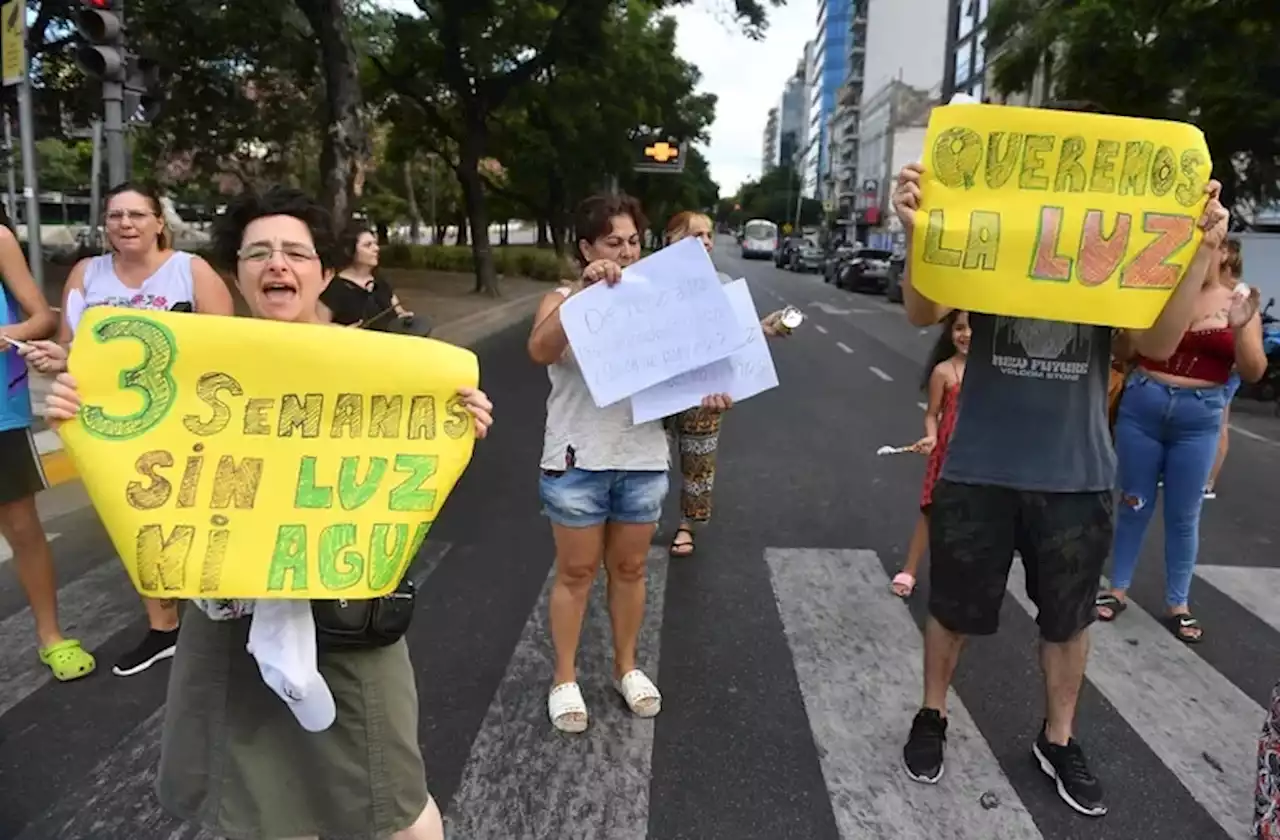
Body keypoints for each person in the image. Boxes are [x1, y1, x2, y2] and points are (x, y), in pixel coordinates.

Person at [44, 185, 494, 840]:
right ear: (239, 272)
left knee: (394, 807)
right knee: (259, 814)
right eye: (258, 252)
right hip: (229, 629)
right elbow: (146, 469)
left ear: (324, 272)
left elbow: (404, 480)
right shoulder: (198, 364)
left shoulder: (383, 364)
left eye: (294, 252)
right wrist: (79, 412)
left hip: (346, 620)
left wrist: (456, 425)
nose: (276, 264)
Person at [890, 99, 1229, 817]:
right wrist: (918, 230)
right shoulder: (996, 240)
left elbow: (1161, 343)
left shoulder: (1110, 260)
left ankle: (1058, 735)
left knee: (1068, 621)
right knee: (952, 609)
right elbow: (923, 311)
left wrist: (1198, 252)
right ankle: (933, 714)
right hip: (978, 465)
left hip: (1076, 474)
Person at [528, 193, 729, 733]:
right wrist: (586, 296)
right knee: (575, 573)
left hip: (640, 459)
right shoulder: (563, 298)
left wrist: (710, 390)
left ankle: (626, 667)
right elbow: (541, 350)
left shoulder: (658, 303)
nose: (625, 251)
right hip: (577, 460)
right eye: (612, 241)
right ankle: (564, 677)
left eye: (633, 241)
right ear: (586, 247)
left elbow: (685, 373)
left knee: (632, 569)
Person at [20, 181, 235, 678]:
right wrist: (57, 358)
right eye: (116, 215)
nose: (125, 224)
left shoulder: (191, 271)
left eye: (137, 214)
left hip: (188, 421)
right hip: (112, 426)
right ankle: (164, 628)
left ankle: (222, 616)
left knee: (197, 517)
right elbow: (71, 346)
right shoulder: (86, 273)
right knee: (135, 523)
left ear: (160, 222)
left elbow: (229, 345)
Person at [1096, 236, 1265, 642]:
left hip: (1199, 414)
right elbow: (1127, 349)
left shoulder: (1237, 300)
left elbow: (1255, 369)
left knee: (1184, 513)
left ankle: (1179, 603)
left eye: (1209, 247)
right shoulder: (1162, 290)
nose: (1198, 253)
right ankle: (1117, 588)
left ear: (1224, 253)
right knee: (1133, 500)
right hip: (1145, 402)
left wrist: (1240, 329)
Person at [0, 206, 94, 682]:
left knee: (22, 527)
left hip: (0, 413)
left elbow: (40, 317)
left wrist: (8, 334)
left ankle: (51, 636)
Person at [663, 210, 789, 558]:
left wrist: (763, 329)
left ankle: (687, 525)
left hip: (704, 392)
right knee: (648, 464)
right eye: (695, 235)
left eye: (708, 235)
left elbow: (736, 332)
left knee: (698, 463)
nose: (705, 242)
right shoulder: (647, 283)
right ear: (670, 239)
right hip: (655, 393)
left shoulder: (721, 282)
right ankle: (634, 521)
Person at [891, 311, 970, 598]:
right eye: (960, 328)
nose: (966, 335)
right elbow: (932, 414)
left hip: (979, 455)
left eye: (973, 328)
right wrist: (932, 436)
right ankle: (910, 569)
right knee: (931, 511)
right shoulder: (943, 372)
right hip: (947, 452)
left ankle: (960, 575)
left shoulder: (993, 372)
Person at [1205, 238, 1246, 499]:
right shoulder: (1211, 287)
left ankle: (1208, 481)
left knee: (1219, 425)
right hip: (1212, 364)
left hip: (1227, 367)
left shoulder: (1237, 291)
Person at [319, 225, 414, 330]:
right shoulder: (335, 288)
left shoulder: (380, 283)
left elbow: (398, 311)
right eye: (368, 245)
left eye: (375, 244)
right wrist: (343, 331)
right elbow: (319, 325)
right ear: (349, 250)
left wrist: (404, 318)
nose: (376, 249)